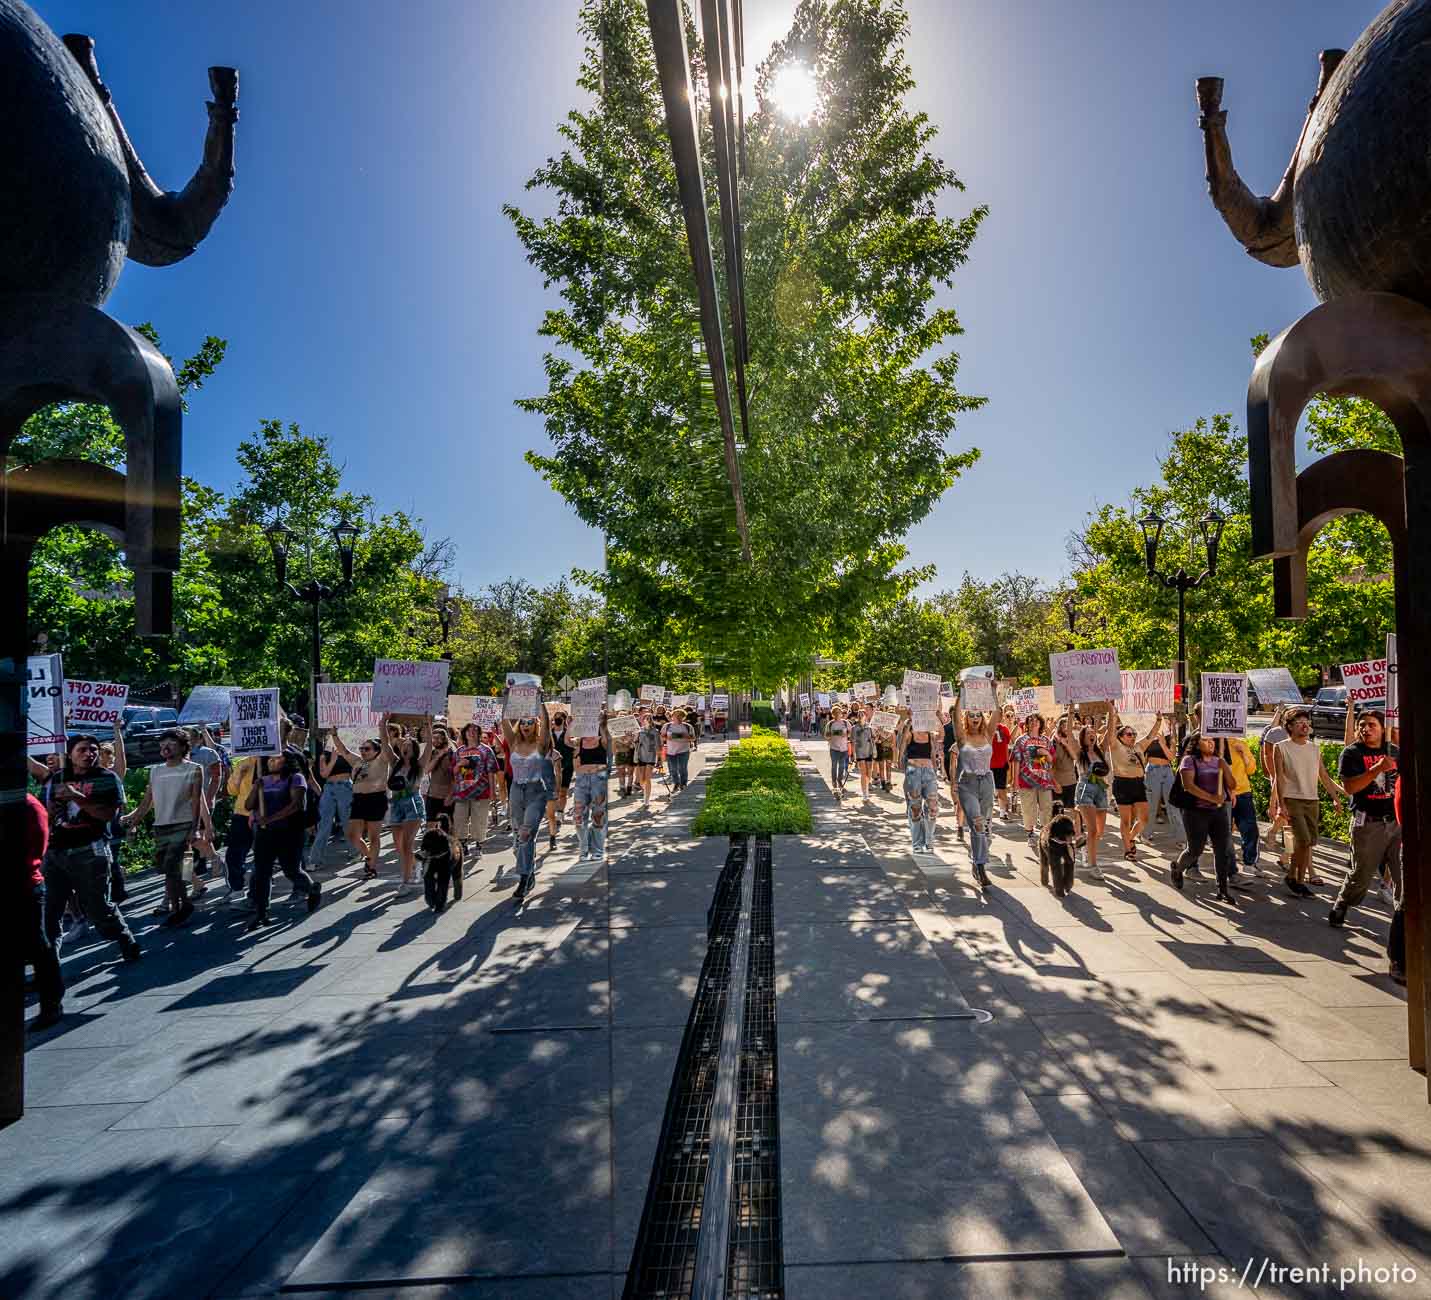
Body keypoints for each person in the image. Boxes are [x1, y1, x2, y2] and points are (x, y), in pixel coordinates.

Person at [40, 734, 141, 964]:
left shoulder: (107, 778)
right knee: (50, 911)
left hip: (89, 851)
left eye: (93, 750)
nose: (89, 754)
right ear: (70, 754)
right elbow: (44, 816)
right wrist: (52, 809)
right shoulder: (56, 779)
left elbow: (108, 815)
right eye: (82, 750)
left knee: (97, 909)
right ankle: (48, 968)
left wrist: (79, 798)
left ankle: (124, 938)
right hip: (56, 852)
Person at [124, 729, 208, 926]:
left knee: (172, 868)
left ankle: (182, 906)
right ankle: (179, 906)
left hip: (183, 824)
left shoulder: (194, 769)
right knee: (168, 870)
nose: (166, 749)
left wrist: (195, 828)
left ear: (182, 746)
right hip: (161, 826)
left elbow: (196, 801)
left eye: (170, 744)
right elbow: (147, 801)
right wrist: (133, 823)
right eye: (162, 746)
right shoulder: (155, 770)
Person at [1329, 707, 1400, 928]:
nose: (1366, 729)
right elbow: (1350, 787)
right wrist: (1376, 769)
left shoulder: (1394, 751)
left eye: (1372, 725)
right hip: (1368, 823)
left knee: (1403, 874)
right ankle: (1343, 902)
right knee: (1361, 873)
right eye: (1362, 725)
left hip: (1396, 823)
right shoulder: (1352, 753)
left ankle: (1403, 918)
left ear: (1382, 729)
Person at [1269, 706, 1346, 897]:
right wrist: (1281, 805)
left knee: (1308, 843)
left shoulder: (1314, 748)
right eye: (1299, 722)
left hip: (1312, 800)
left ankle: (1295, 879)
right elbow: (1278, 778)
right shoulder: (1281, 747)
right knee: (1302, 839)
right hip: (1292, 799)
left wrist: (1335, 798)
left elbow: (1324, 776)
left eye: (1306, 722)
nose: (1304, 725)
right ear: (1289, 726)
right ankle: (1296, 879)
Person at [244, 750, 321, 929]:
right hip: (265, 833)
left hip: (290, 832)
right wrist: (256, 787)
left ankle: (312, 889)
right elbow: (248, 805)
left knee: (291, 870)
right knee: (262, 872)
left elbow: (296, 805)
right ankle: (262, 912)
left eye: (277, 758)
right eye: (270, 759)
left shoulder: (296, 778)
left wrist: (271, 818)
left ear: (287, 761)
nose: (272, 761)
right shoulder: (263, 781)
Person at [501, 691, 554, 903]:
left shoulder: (540, 745)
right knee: (521, 837)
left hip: (535, 792)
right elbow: (504, 720)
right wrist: (507, 698)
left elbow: (547, 726)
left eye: (530, 722)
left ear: (535, 724)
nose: (525, 726)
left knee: (525, 834)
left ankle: (523, 878)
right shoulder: (513, 742)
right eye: (522, 722)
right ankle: (529, 871)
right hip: (516, 791)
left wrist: (540, 701)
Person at [1173, 732, 1238, 902]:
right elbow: (1189, 786)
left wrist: (1225, 767)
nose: (1210, 743)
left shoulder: (1220, 761)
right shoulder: (1189, 761)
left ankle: (1222, 889)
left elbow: (1232, 785)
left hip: (1218, 812)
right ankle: (1178, 868)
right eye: (1205, 740)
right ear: (1196, 743)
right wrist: (1211, 798)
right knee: (1196, 849)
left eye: (1212, 741)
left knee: (1222, 851)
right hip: (1196, 812)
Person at [22, 792, 66, 1031]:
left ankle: (51, 1002)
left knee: (38, 945)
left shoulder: (28, 805)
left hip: (25, 886)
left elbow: (38, 846)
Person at [329, 728, 391, 879]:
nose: (363, 751)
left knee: (373, 836)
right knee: (352, 835)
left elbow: (386, 742)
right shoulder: (358, 762)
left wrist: (383, 724)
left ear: (377, 751)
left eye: (367, 749)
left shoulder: (382, 760)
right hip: (358, 800)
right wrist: (334, 735)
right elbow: (343, 751)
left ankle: (371, 867)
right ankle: (369, 857)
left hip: (376, 799)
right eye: (361, 748)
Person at [952, 699, 995, 888]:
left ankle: (977, 860)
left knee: (983, 826)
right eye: (971, 715)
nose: (975, 718)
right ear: (966, 719)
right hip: (967, 784)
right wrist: (961, 694)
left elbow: (998, 710)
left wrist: (992, 691)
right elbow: (955, 716)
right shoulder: (962, 738)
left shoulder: (988, 734)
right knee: (977, 823)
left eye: (978, 715)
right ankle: (981, 866)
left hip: (986, 782)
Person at [385, 720, 426, 893]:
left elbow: (429, 746)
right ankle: (415, 864)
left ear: (414, 749)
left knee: (408, 844)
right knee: (399, 846)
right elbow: (385, 744)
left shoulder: (419, 765)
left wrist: (429, 727)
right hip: (396, 805)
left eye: (408, 745)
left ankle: (406, 882)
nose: (404, 746)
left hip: (412, 803)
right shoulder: (395, 763)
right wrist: (383, 724)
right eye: (403, 744)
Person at [1106, 702, 1151, 862]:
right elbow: (1109, 732)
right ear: (1121, 736)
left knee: (1144, 818)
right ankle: (1127, 849)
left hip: (1138, 784)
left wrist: (1159, 720)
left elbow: (1151, 736)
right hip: (1122, 784)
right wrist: (1112, 713)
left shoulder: (1139, 746)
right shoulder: (1115, 745)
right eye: (1129, 734)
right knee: (1126, 820)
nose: (1133, 736)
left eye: (1134, 733)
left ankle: (1130, 837)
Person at [1069, 713, 1110, 882]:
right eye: (1088, 733)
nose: (1091, 735)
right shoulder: (1079, 752)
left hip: (1101, 789)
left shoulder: (1101, 749)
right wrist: (1071, 710)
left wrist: (1110, 710)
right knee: (1092, 830)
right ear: (1083, 738)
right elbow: (1070, 736)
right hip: (1085, 788)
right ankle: (1093, 866)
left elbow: (1111, 729)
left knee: (1099, 832)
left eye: (1093, 732)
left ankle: (1086, 845)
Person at [452, 722, 500, 854]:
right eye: (469, 730)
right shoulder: (458, 751)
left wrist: (493, 792)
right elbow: (453, 771)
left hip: (481, 791)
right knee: (459, 818)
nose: (471, 732)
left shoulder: (486, 750)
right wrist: (460, 764)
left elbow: (491, 771)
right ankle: (462, 843)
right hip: (461, 791)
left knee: (479, 819)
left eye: (475, 730)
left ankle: (478, 844)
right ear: (464, 733)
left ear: (479, 733)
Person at [570, 711, 612, 863]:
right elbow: (567, 741)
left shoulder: (602, 740)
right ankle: (584, 849)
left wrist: (601, 723)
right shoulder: (578, 741)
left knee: (598, 816)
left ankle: (598, 850)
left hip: (598, 780)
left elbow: (607, 740)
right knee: (579, 817)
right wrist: (575, 720)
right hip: (581, 780)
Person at [903, 708, 945, 858]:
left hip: (929, 772)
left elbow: (941, 735)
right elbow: (902, 743)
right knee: (915, 807)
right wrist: (909, 723)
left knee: (933, 807)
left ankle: (929, 841)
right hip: (913, 771)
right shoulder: (909, 731)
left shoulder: (930, 735)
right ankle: (917, 843)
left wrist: (937, 715)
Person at [1011, 713, 1056, 846]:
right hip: (1026, 779)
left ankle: (1045, 833)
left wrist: (1046, 753)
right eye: (1030, 720)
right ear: (1027, 724)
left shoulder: (1047, 741)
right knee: (1028, 808)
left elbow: (1052, 760)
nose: (1034, 722)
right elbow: (1016, 760)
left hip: (1044, 779)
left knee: (1047, 807)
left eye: (1036, 720)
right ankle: (1030, 833)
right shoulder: (1020, 740)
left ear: (1041, 723)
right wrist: (1015, 782)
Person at [1221, 730, 1260, 876]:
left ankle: (1249, 863)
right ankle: (1226, 865)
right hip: (1224, 794)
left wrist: (1243, 753)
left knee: (1250, 830)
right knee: (1224, 831)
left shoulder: (1241, 744)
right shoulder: (1217, 744)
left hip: (1243, 793)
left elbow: (1251, 770)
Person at [314, 737, 355, 867]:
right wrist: (332, 760)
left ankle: (355, 851)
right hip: (329, 787)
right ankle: (315, 859)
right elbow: (324, 774)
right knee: (324, 824)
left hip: (345, 787)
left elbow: (360, 767)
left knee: (347, 821)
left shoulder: (350, 751)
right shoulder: (324, 754)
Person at [1140, 714, 1182, 842]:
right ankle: (1145, 834)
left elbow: (1171, 757)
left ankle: (1180, 838)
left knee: (1173, 806)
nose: (1167, 723)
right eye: (1165, 720)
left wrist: (1164, 743)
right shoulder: (1149, 737)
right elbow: (1143, 757)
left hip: (1167, 772)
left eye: (1169, 721)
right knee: (1151, 805)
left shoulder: (1170, 738)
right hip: (1152, 771)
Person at [422, 723, 457, 824]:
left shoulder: (451, 755)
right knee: (430, 824)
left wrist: (450, 796)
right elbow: (426, 770)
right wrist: (438, 756)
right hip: (432, 795)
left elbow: (455, 778)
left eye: (439, 738)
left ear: (444, 739)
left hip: (446, 796)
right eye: (434, 738)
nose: (436, 741)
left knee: (447, 826)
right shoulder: (432, 754)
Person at [632, 707, 661, 806]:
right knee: (641, 780)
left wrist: (659, 760)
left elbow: (658, 746)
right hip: (640, 756)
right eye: (645, 719)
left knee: (648, 778)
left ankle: (646, 800)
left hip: (651, 757)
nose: (646, 720)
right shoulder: (639, 731)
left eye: (648, 719)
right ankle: (644, 791)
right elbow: (634, 743)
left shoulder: (655, 732)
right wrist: (632, 736)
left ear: (651, 720)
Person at [664, 708, 696, 791]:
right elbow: (662, 736)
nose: (678, 718)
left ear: (683, 717)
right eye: (676, 716)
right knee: (673, 769)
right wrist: (667, 738)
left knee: (682, 768)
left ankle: (683, 783)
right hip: (671, 751)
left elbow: (693, 738)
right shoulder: (667, 726)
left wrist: (682, 736)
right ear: (672, 716)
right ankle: (676, 783)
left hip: (683, 750)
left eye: (680, 716)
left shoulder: (687, 726)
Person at [992, 707, 1015, 818]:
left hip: (1001, 763)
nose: (998, 716)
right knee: (990, 789)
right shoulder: (986, 728)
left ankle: (1003, 811)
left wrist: (1007, 761)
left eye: (1000, 714)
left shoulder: (1004, 729)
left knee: (1002, 788)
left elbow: (1006, 745)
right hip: (988, 764)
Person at [851, 706, 877, 800]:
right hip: (860, 752)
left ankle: (867, 786)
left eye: (863, 714)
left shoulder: (869, 727)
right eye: (860, 714)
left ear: (866, 716)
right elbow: (853, 742)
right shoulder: (854, 728)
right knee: (863, 773)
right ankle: (864, 793)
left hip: (869, 751)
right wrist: (853, 755)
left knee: (869, 772)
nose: (861, 715)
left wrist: (877, 736)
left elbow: (874, 738)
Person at [826, 704, 852, 796]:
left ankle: (840, 781)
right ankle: (834, 783)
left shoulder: (846, 723)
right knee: (834, 766)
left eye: (839, 712)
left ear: (841, 713)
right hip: (834, 748)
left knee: (841, 766)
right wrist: (832, 735)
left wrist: (847, 735)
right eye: (835, 713)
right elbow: (826, 735)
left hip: (843, 748)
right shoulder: (830, 724)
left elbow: (850, 733)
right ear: (833, 714)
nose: (838, 714)